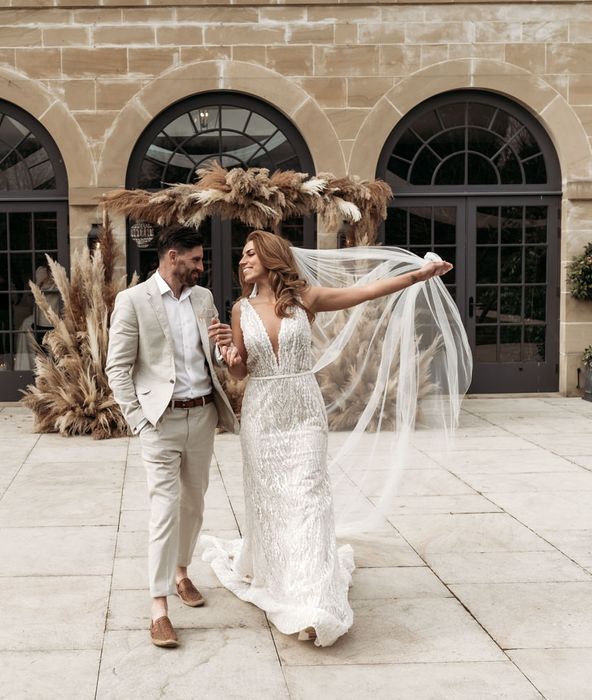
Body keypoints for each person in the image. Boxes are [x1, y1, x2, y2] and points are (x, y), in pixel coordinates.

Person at [201, 230, 453, 647]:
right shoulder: (239, 309)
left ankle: (314, 599)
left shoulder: (306, 299)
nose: (242, 260)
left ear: (271, 257)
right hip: (263, 416)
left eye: (250, 253)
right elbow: (241, 372)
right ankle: (279, 573)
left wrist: (419, 275)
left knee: (308, 499)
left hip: (303, 412)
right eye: (242, 254)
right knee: (272, 501)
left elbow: (366, 291)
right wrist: (230, 357)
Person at [106, 227, 239, 649]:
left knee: (194, 505)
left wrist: (224, 346)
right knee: (164, 509)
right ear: (171, 256)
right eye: (195, 260)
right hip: (160, 422)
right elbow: (118, 369)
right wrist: (140, 422)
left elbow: (213, 356)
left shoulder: (203, 299)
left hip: (202, 415)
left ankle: (181, 572)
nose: (202, 267)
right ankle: (158, 607)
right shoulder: (132, 302)